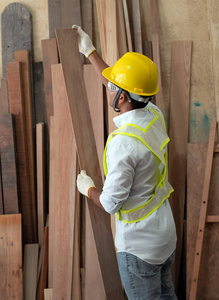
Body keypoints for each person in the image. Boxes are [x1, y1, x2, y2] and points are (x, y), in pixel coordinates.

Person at [73, 25, 177, 300]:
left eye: (112, 88)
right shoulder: (154, 114)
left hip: (139, 249)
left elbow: (109, 203)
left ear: (121, 98)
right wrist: (90, 52)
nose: (107, 86)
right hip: (164, 237)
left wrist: (88, 189)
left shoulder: (123, 143)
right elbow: (122, 86)